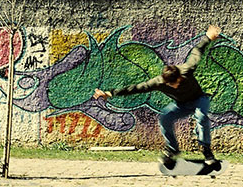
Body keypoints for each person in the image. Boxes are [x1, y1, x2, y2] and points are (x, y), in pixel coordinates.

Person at [93, 24, 221, 168]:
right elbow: (138, 88)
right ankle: (172, 150)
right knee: (165, 117)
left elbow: (197, 51)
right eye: (171, 85)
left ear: (179, 76)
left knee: (202, 116)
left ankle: (207, 151)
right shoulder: (159, 82)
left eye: (176, 83)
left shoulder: (186, 70)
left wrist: (208, 38)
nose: (175, 86)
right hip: (181, 105)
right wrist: (110, 93)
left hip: (199, 99)